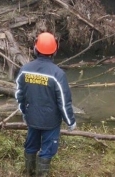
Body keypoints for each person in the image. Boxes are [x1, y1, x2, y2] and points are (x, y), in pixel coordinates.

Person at [15, 32, 76, 177]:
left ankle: (29, 172)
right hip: (51, 121)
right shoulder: (57, 74)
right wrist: (70, 121)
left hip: (32, 118)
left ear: (35, 49)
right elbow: (64, 101)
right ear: (54, 51)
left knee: (31, 145)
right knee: (47, 150)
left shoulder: (25, 70)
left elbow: (19, 95)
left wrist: (24, 112)